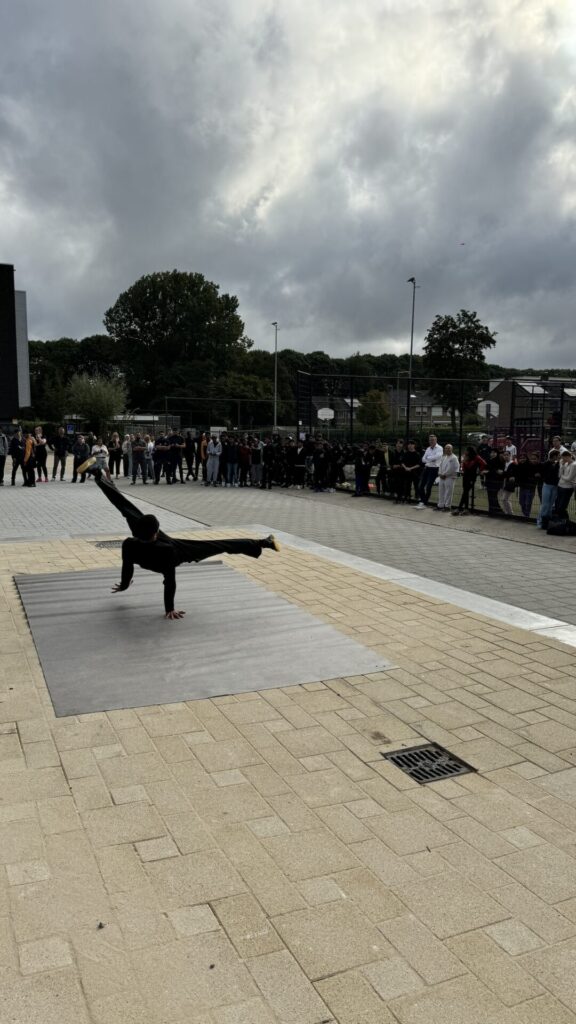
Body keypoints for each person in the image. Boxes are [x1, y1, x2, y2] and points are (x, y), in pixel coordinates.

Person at [76, 458, 280, 619]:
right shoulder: (165, 550)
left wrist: (125, 584)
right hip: (172, 548)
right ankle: (264, 542)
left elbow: (127, 566)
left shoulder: (129, 544)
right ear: (156, 531)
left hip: (150, 543)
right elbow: (169, 582)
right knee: (221, 545)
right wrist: (169, 608)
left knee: (124, 506)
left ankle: (97, 474)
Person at [453, 446, 486, 516]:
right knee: (465, 492)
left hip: (472, 477)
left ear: (470, 451)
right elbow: (464, 466)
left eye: (467, 450)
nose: (465, 451)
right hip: (465, 476)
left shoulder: (476, 457)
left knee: (465, 492)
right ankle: (465, 509)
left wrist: (480, 471)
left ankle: (460, 508)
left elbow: (483, 463)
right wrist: (463, 467)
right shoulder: (466, 457)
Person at [415, 434, 443, 508]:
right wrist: (431, 458)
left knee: (428, 487)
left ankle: (424, 502)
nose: (431, 441)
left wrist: (428, 458)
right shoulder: (428, 449)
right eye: (430, 440)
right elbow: (423, 459)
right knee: (420, 486)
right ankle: (424, 501)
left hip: (434, 469)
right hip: (427, 468)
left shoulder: (440, 448)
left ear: (436, 440)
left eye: (433, 440)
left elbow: (437, 457)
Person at [537, 450, 560, 529]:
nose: (559, 457)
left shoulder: (558, 464)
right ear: (554, 456)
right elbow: (541, 473)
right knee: (545, 504)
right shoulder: (546, 464)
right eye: (558, 455)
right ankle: (540, 521)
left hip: (555, 486)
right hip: (547, 485)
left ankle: (547, 522)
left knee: (550, 505)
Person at [435, 444, 459, 511]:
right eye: (446, 448)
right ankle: (440, 505)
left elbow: (453, 468)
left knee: (448, 492)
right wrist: (440, 474)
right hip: (442, 477)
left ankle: (447, 506)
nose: (447, 449)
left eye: (449, 448)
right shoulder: (444, 457)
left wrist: (445, 475)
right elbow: (440, 466)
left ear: (452, 449)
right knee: (441, 491)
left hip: (449, 477)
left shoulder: (454, 458)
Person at [555, 451, 576, 519]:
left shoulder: (574, 465)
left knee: (562, 507)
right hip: (560, 486)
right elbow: (559, 475)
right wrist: (561, 466)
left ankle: (564, 520)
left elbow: (569, 478)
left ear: (568, 456)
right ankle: (562, 520)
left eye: (564, 458)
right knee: (557, 505)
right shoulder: (565, 463)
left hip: (567, 488)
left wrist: (562, 476)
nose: (563, 460)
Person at [484, 450, 505, 515]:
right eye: (491, 452)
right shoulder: (489, 460)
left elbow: (499, 472)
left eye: (494, 453)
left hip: (496, 482)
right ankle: (493, 511)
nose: (492, 454)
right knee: (491, 497)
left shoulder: (500, 462)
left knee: (493, 497)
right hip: (489, 481)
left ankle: (496, 511)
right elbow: (488, 470)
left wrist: (489, 472)